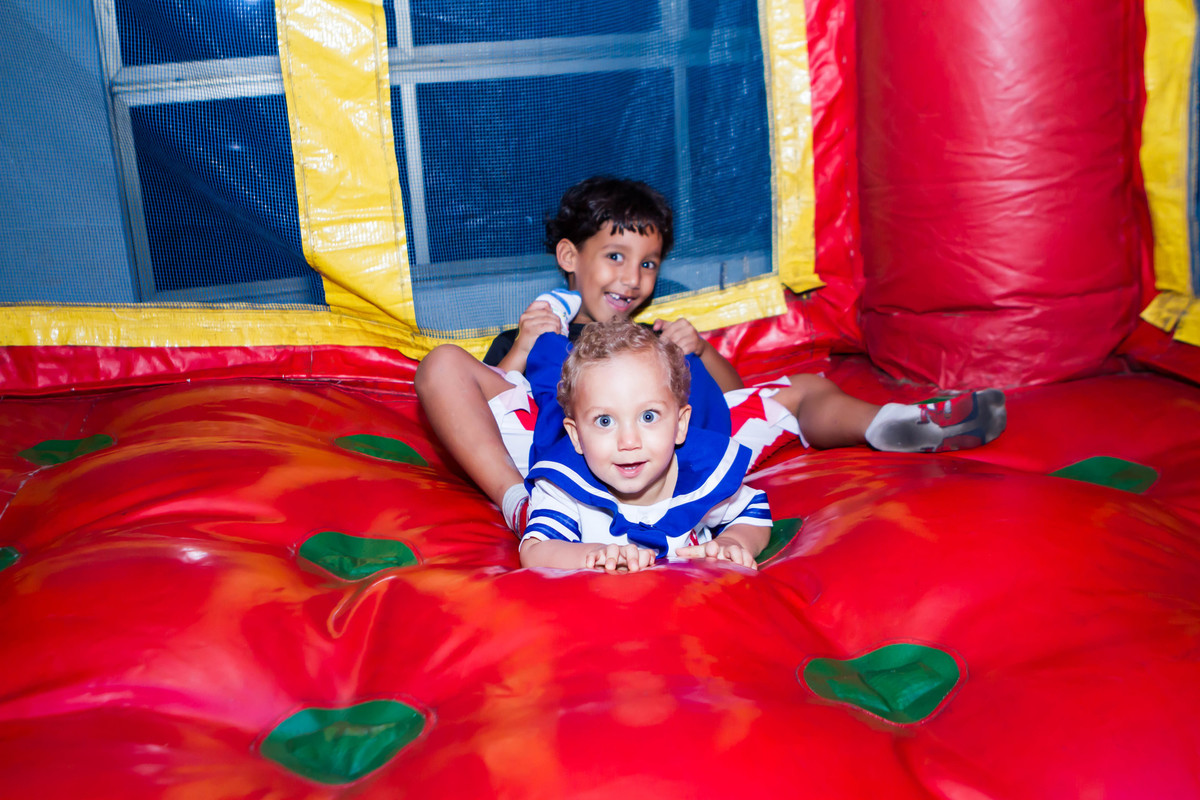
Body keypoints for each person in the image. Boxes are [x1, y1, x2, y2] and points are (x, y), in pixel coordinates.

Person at [415, 176, 1006, 541]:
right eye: (615, 257)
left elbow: (727, 396)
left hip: (669, 447)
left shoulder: (654, 339)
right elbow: (495, 393)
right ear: (569, 256)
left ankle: (887, 424)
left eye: (647, 264)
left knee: (798, 388)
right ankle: (517, 503)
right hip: (556, 442)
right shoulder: (543, 333)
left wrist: (697, 352)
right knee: (441, 365)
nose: (632, 277)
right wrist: (523, 347)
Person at [520, 319, 771, 572]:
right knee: (546, 378)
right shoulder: (566, 486)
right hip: (610, 606)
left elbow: (752, 512)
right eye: (605, 421)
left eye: (648, 416)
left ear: (680, 425)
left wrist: (733, 541)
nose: (629, 442)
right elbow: (535, 550)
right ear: (576, 436)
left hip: (689, 603)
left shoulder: (700, 474)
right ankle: (551, 335)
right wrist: (593, 554)